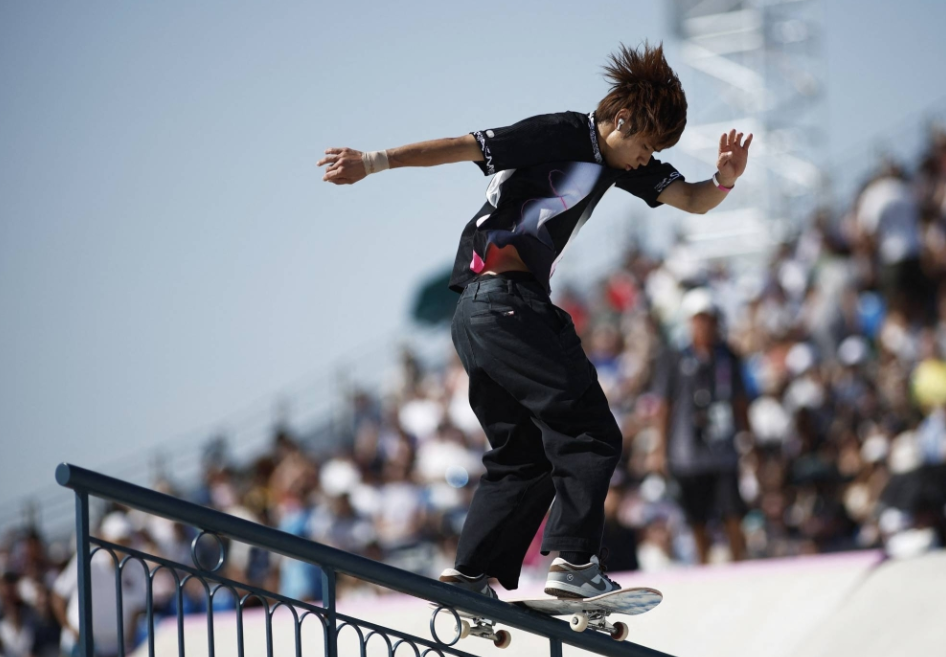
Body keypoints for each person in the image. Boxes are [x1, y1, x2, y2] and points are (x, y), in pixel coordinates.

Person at [318, 42, 753, 598]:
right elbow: (463, 146)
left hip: (479, 317)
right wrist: (374, 161)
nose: (646, 160)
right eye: (645, 146)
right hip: (507, 304)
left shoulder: (623, 165)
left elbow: (691, 200)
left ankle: (471, 574)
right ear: (621, 120)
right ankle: (575, 563)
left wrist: (724, 180)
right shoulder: (561, 133)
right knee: (591, 433)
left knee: (523, 455)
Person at [653, 288, 750, 564]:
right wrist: (660, 449)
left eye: (709, 318)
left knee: (733, 511)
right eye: (699, 319)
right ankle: (704, 566)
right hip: (687, 452)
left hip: (723, 448)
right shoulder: (673, 357)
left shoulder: (728, 355)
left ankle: (740, 564)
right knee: (697, 516)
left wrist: (747, 436)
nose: (705, 325)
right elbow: (664, 405)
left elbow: (741, 399)